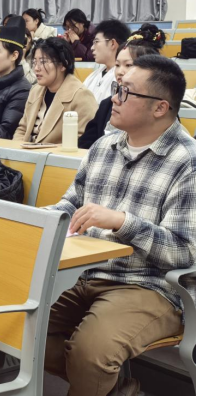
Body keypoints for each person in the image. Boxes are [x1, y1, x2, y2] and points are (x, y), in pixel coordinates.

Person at [44, 55, 195, 396]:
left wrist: (124, 223)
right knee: (17, 326)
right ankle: (118, 390)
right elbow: (71, 204)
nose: (114, 98)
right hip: (85, 272)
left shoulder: (188, 161)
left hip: (150, 285)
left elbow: (185, 252)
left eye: (126, 92)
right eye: (116, 87)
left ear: (160, 108)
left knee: (90, 354)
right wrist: (35, 219)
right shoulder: (104, 146)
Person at [80, 24, 166, 149]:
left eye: (128, 65)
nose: (120, 72)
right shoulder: (107, 105)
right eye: (117, 65)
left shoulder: (156, 106)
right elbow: (85, 144)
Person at [13, 38, 98, 144]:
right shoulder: (35, 90)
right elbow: (22, 129)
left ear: (63, 64)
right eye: (34, 62)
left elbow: (83, 140)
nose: (36, 68)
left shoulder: (81, 96)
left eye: (43, 62)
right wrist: (17, 148)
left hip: (55, 154)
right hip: (26, 152)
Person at [84, 20, 131, 103]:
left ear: (112, 43)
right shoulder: (94, 75)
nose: (92, 48)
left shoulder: (123, 78)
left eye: (96, 42)